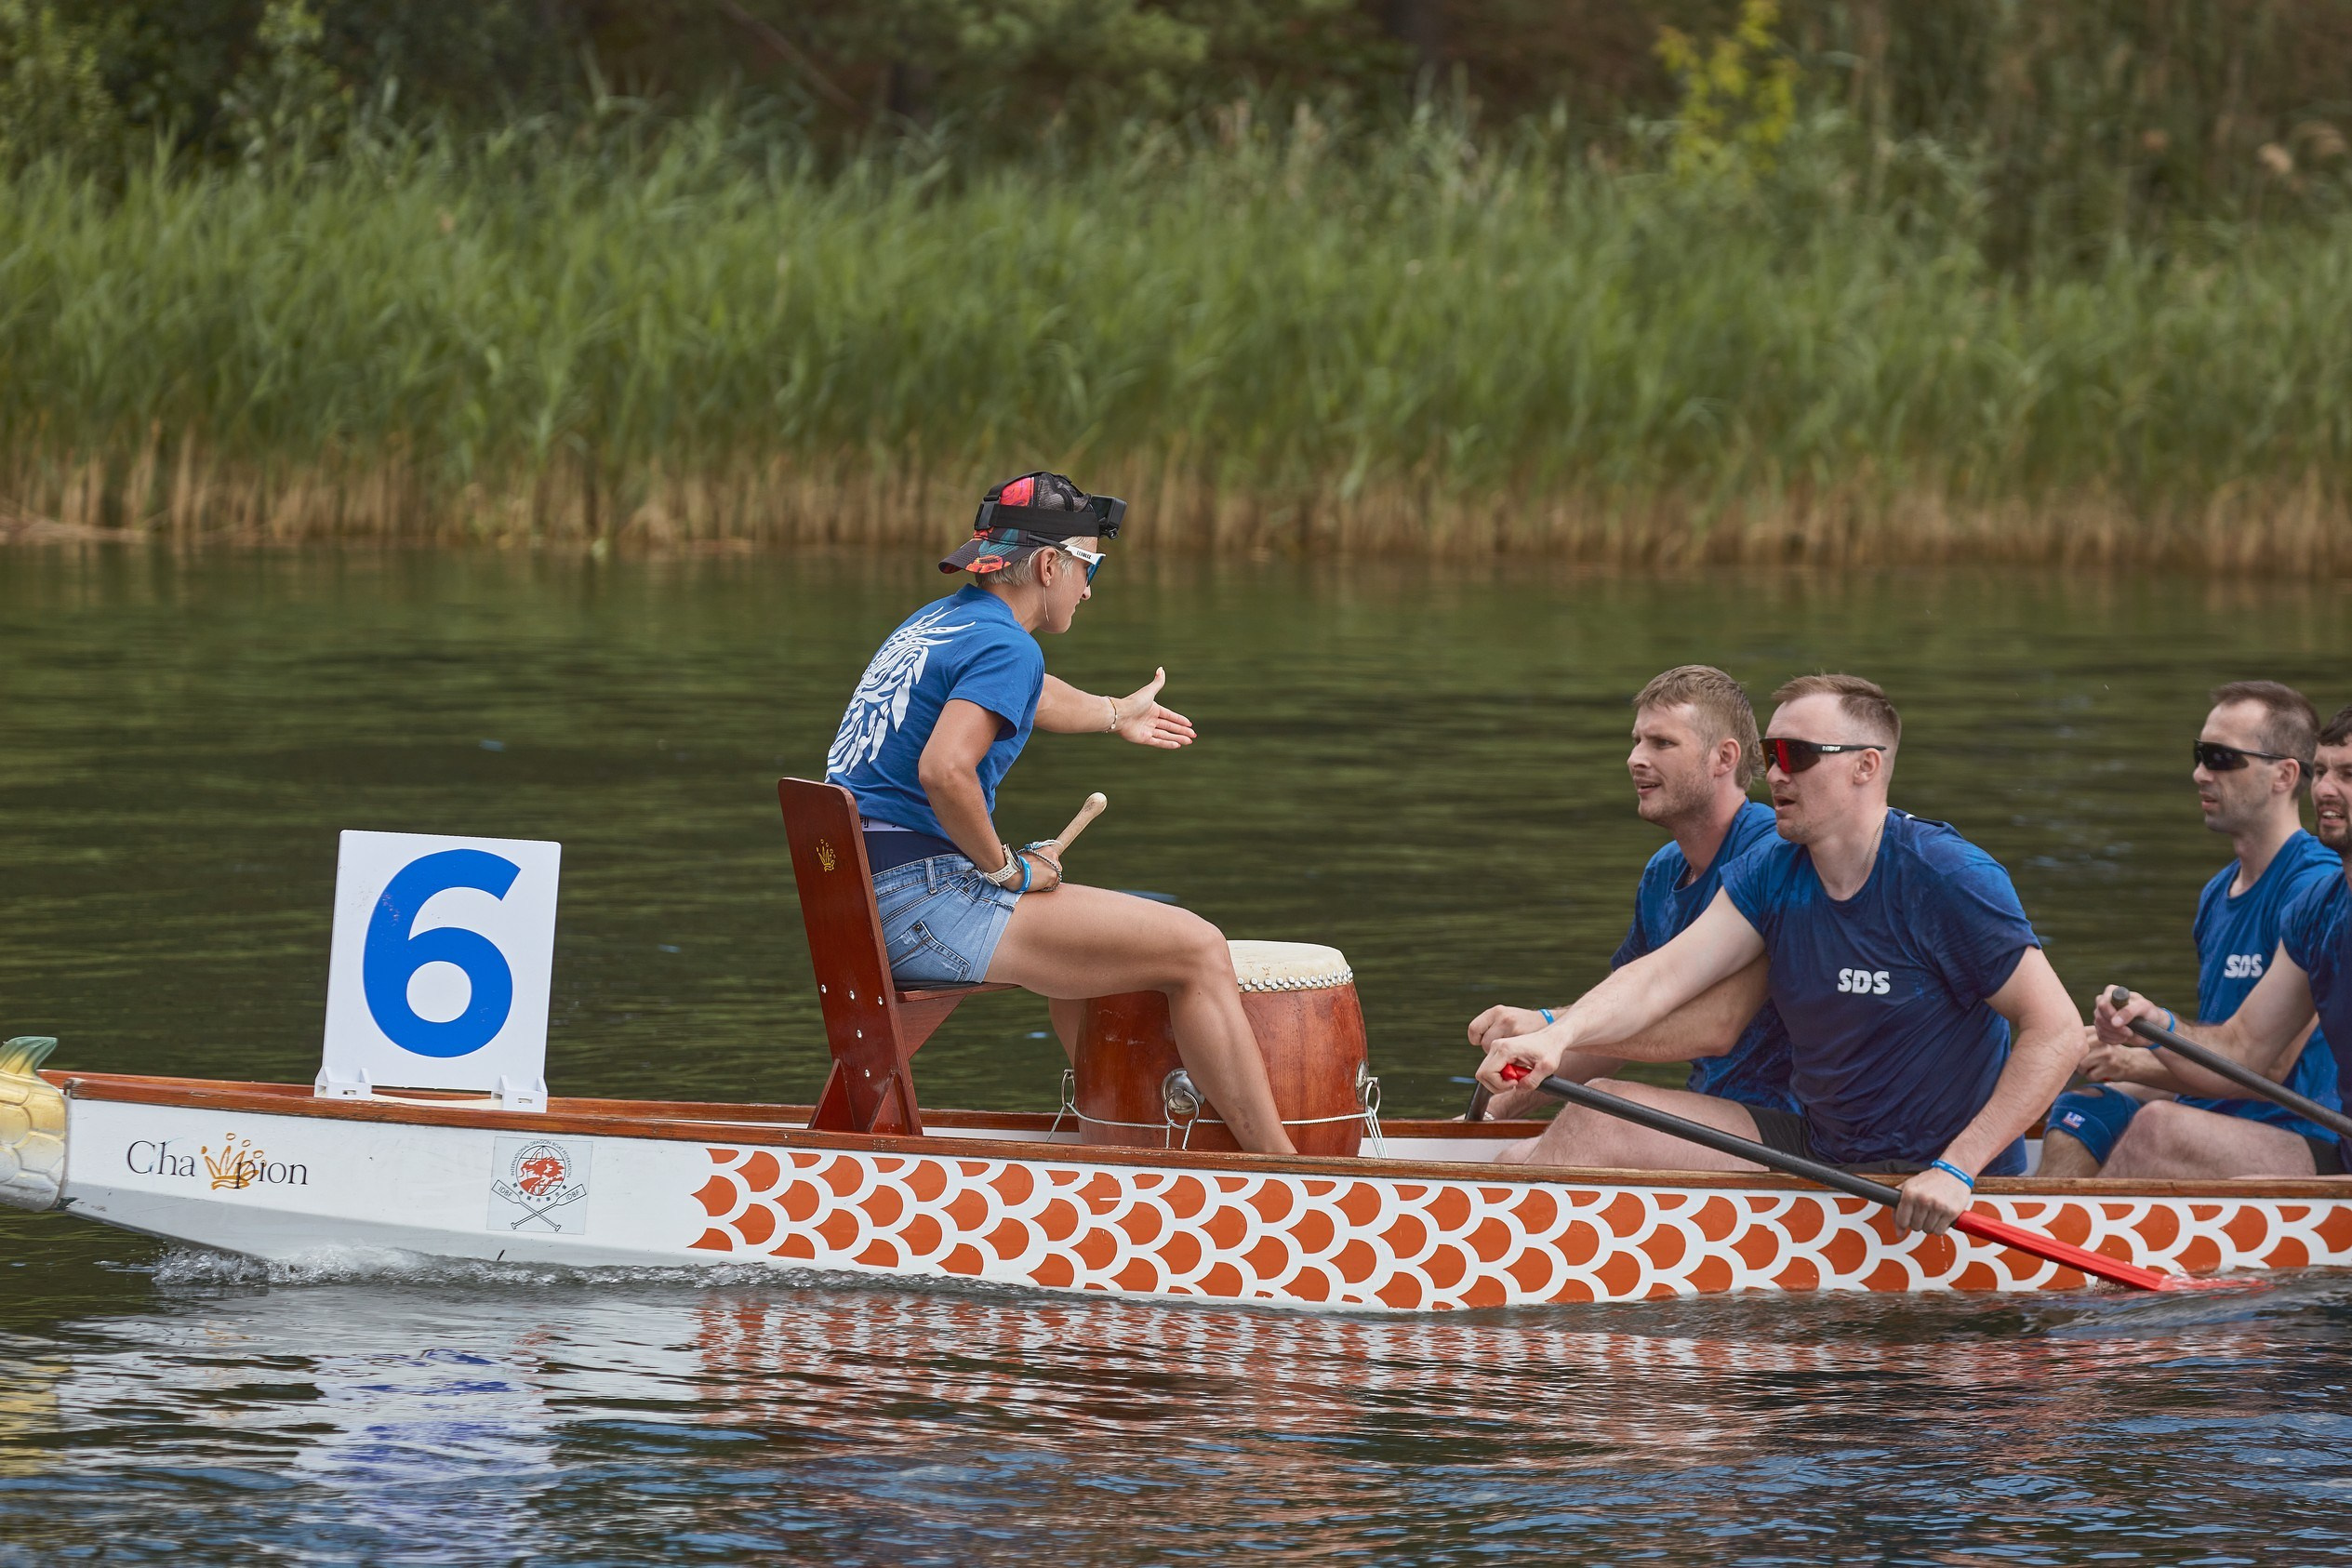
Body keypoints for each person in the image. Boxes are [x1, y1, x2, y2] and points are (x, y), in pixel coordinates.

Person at [1471, 674, 2085, 1234]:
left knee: (1594, 1123)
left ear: (1865, 767)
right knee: (1598, 1117)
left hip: (1933, 1183)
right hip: (1825, 1153)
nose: (1774, 775)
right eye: (1770, 756)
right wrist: (1559, 1033)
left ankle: (1483, 1269)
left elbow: (2056, 1031)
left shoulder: (1944, 876)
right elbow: (1662, 976)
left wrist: (1958, 1168)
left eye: (1795, 756)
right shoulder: (1773, 868)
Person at [824, 472, 1296, 1154]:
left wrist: (1114, 713)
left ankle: (1119, 1139)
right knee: (1196, 949)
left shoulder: (937, 622)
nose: (1089, 587)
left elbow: (1029, 692)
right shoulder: (1005, 645)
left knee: (1098, 957)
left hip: (863, 900)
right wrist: (1007, 870)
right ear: (1049, 565)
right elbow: (944, 770)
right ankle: (1284, 1173)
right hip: (917, 907)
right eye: (1088, 566)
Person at [1470, 665, 1798, 1160]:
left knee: (1597, 1113)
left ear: (1724, 758)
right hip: (1719, 1113)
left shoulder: (1774, 855)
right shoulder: (1663, 872)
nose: (1635, 759)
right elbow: (1610, 1035)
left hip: (1798, 1125)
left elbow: (1715, 1025)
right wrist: (1482, 1119)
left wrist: (1549, 1023)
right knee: (1521, 1144)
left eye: (1662, 743)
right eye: (1636, 741)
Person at [2042, 683, 2342, 1176]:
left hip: (2301, 1132)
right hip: (2224, 1111)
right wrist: (2117, 1055)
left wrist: (2139, 1055)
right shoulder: (2215, 895)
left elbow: (2266, 1069)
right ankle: (2034, 1244)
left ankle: (2065, 1249)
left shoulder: (2316, 887)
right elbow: (2219, 1051)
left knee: (2159, 1128)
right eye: (2200, 755)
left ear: (2285, 775)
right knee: (2085, 1107)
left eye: (2222, 758)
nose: (2200, 773)